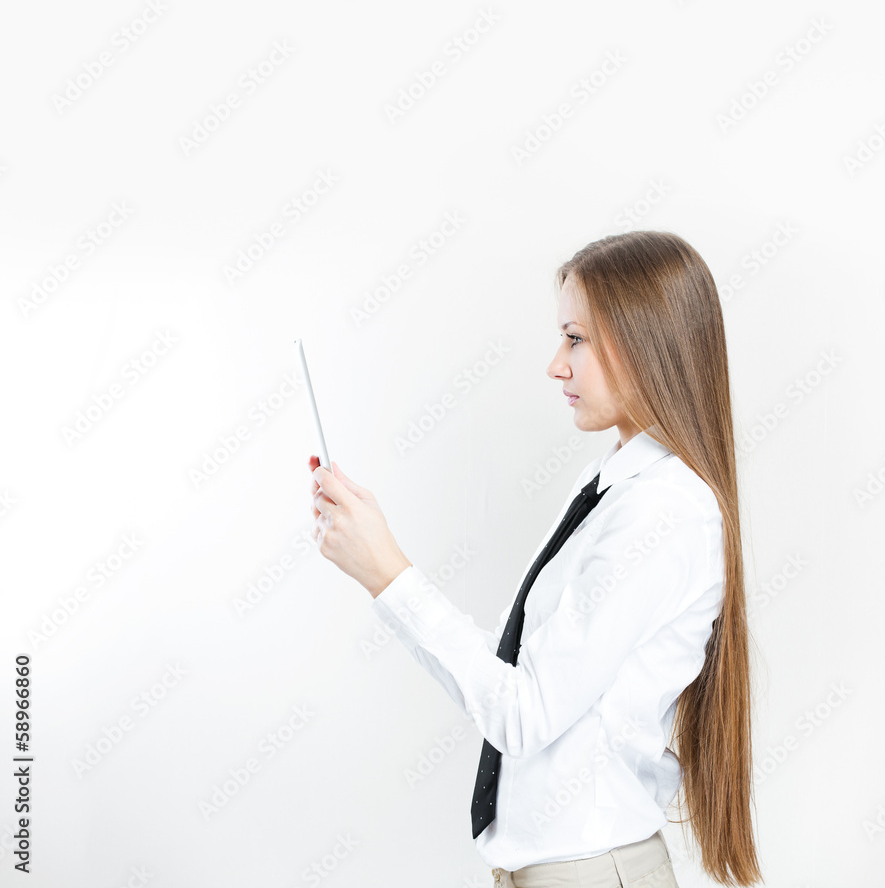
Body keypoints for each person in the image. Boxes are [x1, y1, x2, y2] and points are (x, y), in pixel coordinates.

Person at [309, 231, 762, 887]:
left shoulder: (662, 512)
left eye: (575, 339)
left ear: (644, 341)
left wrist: (389, 573)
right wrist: (378, 570)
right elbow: (507, 678)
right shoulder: (608, 489)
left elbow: (523, 713)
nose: (556, 365)